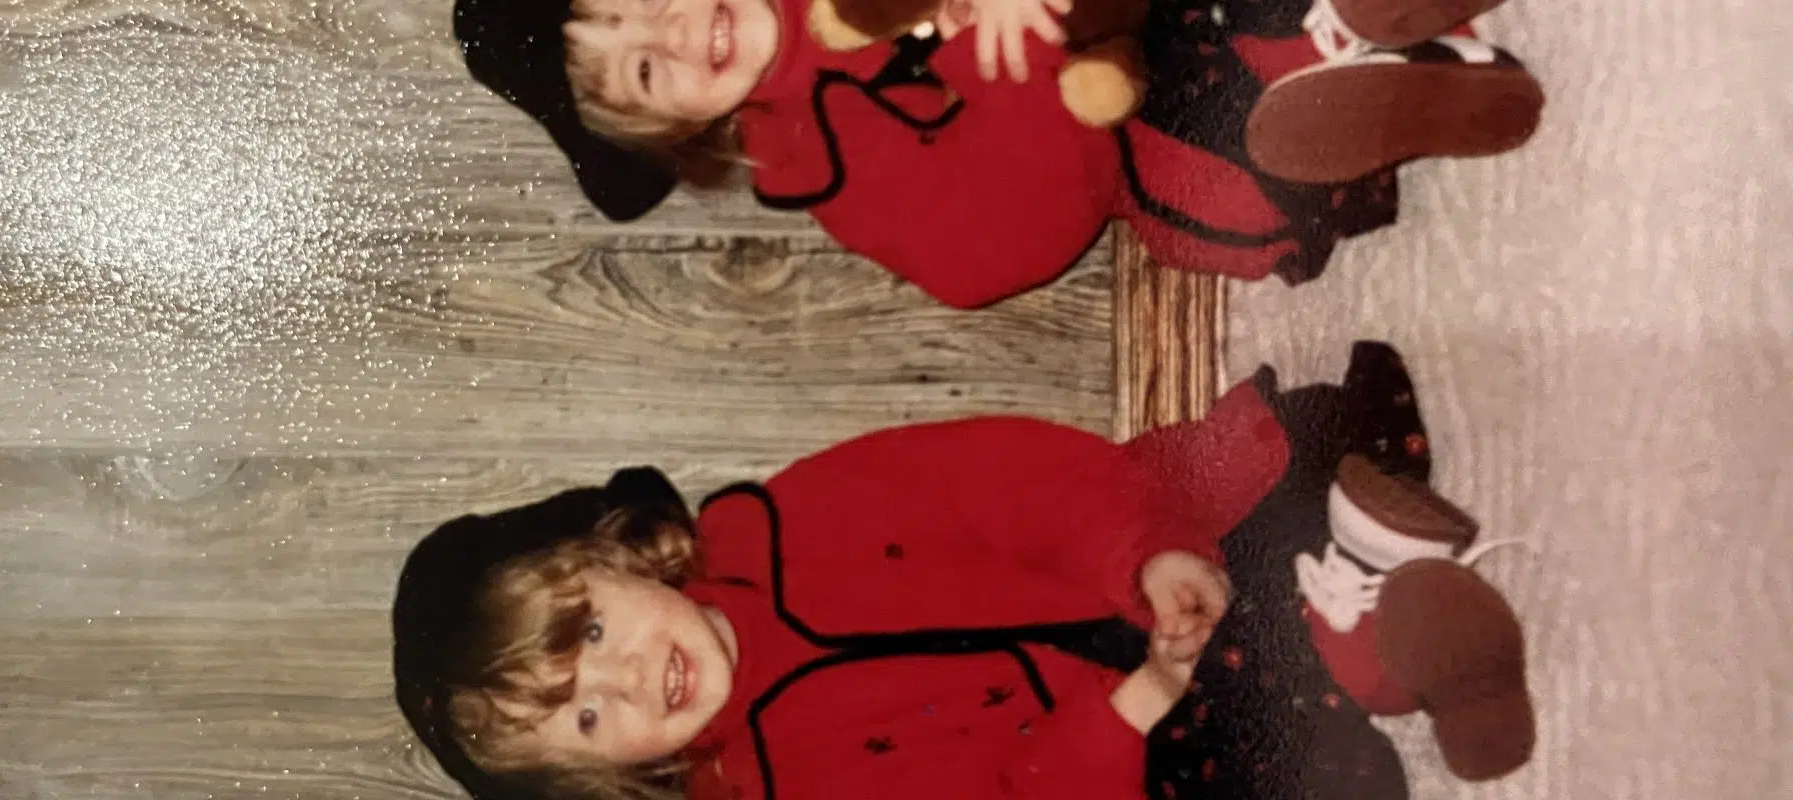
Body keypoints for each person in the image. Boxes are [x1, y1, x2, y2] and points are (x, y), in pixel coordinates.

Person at [391, 375, 1297, 800]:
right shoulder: (768, 788)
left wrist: (1144, 555)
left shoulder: (783, 524)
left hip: (1130, 547)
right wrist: (1127, 718)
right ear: (604, 780)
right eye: (589, 719)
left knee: (1287, 452)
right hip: (1132, 767)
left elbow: (997, 481)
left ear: (612, 555)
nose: (628, 681)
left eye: (592, 634)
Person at [449, 0, 1544, 308]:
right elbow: (995, 255)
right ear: (676, 131)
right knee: (1210, 180)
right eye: (648, 72)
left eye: (644, 2)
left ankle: (1362, 25)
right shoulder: (817, 164)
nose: (678, 35)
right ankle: (1388, 93)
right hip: (1118, 123)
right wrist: (1004, 61)